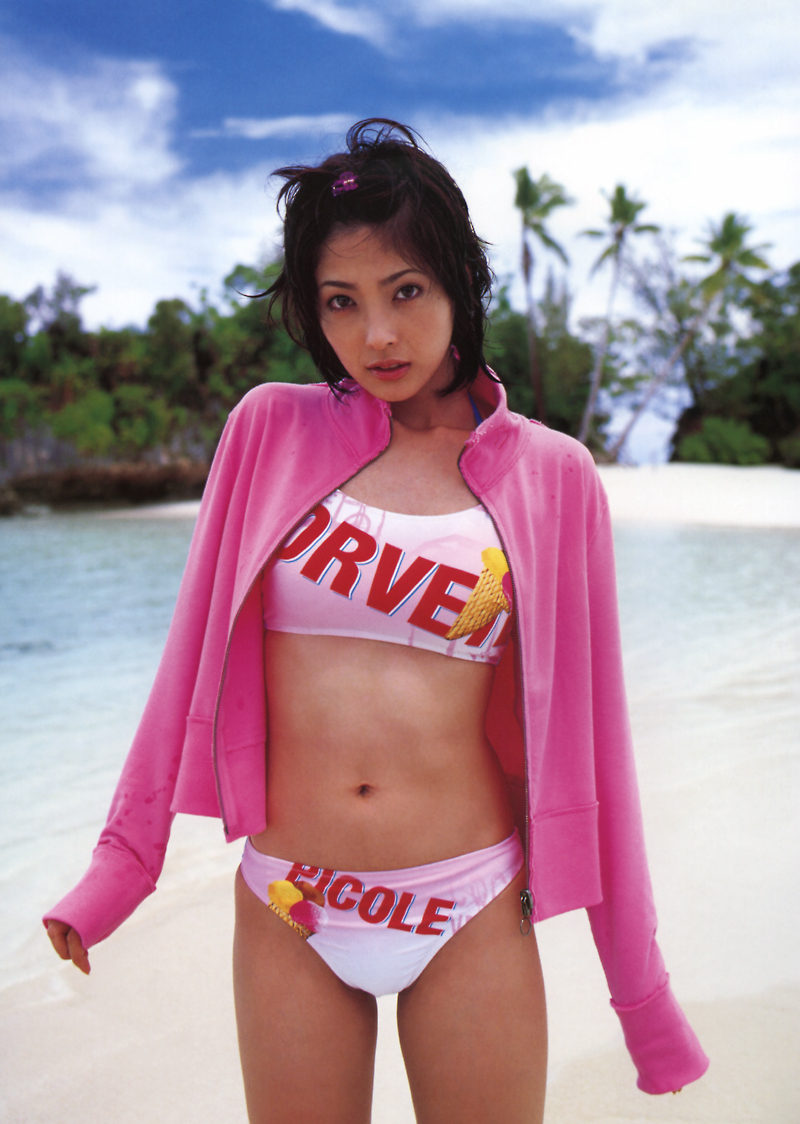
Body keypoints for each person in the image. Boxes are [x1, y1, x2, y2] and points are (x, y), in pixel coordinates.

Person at [44, 119, 708, 1123]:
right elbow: (185, 661)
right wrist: (119, 869)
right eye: (341, 302)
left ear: (460, 284)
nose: (378, 336)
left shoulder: (553, 476)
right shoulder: (268, 430)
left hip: (469, 897)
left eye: (405, 291)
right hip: (290, 898)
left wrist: (642, 1000)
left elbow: (594, 743)